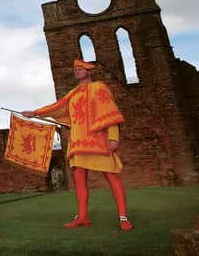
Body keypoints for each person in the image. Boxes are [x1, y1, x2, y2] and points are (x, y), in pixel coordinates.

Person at [23, 59, 133, 230]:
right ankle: (82, 217)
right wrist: (35, 113)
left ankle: (123, 217)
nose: (77, 71)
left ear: (89, 71)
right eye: (75, 69)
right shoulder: (72, 94)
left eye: (80, 69)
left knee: (111, 176)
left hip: (98, 139)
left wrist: (114, 137)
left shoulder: (99, 88)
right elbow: (56, 107)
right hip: (77, 141)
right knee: (79, 180)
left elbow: (110, 113)